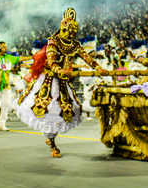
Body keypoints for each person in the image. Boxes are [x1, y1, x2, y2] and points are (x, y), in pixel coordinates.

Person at [17, 8, 107, 157]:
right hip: (48, 81)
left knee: (67, 110)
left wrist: (99, 68)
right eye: (68, 30)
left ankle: (51, 139)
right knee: (48, 110)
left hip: (63, 82)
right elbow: (51, 60)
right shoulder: (53, 41)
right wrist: (59, 71)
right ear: (62, 29)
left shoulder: (75, 45)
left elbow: (88, 58)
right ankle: (51, 143)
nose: (70, 34)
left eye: (73, 32)